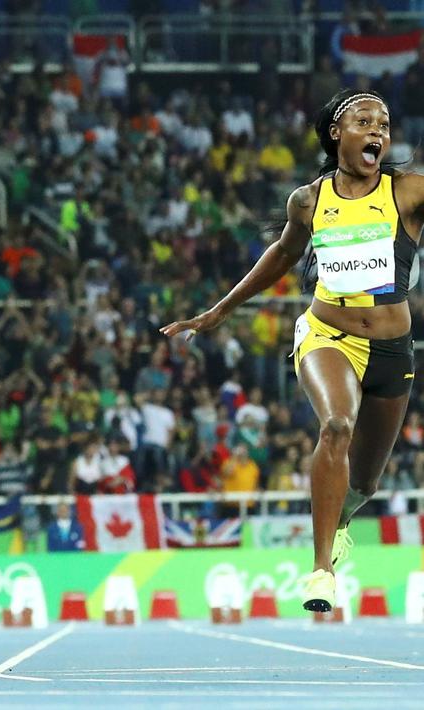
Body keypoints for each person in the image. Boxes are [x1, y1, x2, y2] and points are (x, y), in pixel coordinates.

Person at [163, 90, 424, 613]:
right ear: (337, 133)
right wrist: (218, 311)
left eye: (384, 124)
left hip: (393, 351)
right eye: (364, 121)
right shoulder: (309, 201)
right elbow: (282, 253)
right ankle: (321, 570)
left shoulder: (409, 192)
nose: (377, 131)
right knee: (336, 427)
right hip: (328, 336)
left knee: (366, 481)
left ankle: (344, 518)